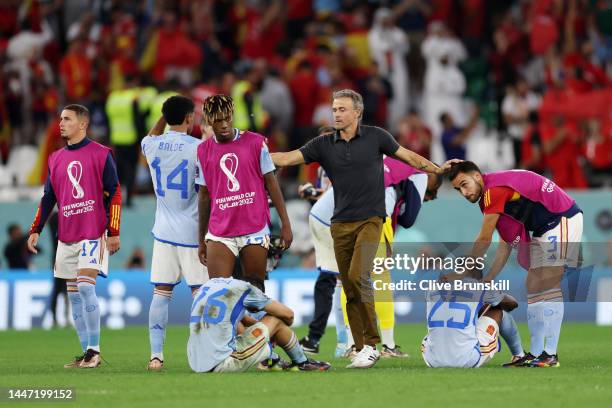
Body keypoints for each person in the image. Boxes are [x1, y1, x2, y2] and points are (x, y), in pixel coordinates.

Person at [271, 89, 457, 369]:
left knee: (360, 277)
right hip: (340, 224)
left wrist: (438, 169)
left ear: (357, 112)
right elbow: (286, 158)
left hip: (371, 220)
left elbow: (408, 157)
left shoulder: (376, 137)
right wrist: (251, 151)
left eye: (342, 109)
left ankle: (372, 344)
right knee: (349, 286)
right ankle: (359, 346)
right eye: (334, 109)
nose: (336, 114)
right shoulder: (323, 143)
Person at [449, 161, 583, 368]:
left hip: (562, 216)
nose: (464, 193)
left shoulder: (492, 192)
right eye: (458, 189)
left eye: (464, 184)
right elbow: (505, 243)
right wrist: (489, 277)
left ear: (477, 176)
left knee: (546, 281)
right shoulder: (490, 197)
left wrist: (463, 273)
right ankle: (536, 354)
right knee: (533, 284)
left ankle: (550, 354)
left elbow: (484, 238)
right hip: (544, 227)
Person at [27, 104, 122, 368]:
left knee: (83, 286)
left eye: (67, 119)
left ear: (83, 124)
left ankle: (95, 350)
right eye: (60, 119)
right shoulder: (55, 158)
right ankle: (86, 353)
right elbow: (49, 197)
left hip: (93, 231)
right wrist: (36, 229)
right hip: (66, 235)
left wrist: (114, 231)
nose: (61, 123)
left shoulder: (101, 154)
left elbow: (114, 192)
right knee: (73, 295)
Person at [196, 95, 292, 292]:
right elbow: (204, 196)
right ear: (208, 120)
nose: (223, 124)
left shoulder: (256, 143)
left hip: (254, 228)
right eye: (217, 120)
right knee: (218, 291)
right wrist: (201, 240)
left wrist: (286, 224)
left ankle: (256, 323)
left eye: (227, 118)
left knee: (255, 290)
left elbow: (272, 185)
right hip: (220, 230)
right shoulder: (202, 150)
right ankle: (233, 324)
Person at [140, 95, 209, 371]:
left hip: (163, 232)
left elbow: (150, 134)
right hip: (193, 233)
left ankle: (156, 356)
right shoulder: (199, 148)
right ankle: (202, 353)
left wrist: (164, 116)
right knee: (200, 294)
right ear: (190, 118)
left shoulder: (152, 145)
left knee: (161, 292)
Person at [188, 276, 330, 373]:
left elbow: (242, 321)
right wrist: (274, 328)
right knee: (276, 319)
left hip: (195, 362)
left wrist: (268, 333)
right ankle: (302, 363)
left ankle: (273, 360)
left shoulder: (211, 284)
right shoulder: (246, 288)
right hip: (221, 363)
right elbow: (289, 315)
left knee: (243, 329)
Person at [421, 270, 524, 368]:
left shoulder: (432, 286)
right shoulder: (479, 287)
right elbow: (512, 304)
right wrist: (494, 291)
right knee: (499, 311)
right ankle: (519, 355)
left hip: (431, 359)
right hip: (467, 359)